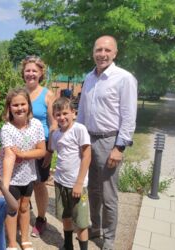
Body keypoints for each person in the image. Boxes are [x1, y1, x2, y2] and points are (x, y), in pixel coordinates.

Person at [77, 35, 137, 250]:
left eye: (107, 50)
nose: (102, 54)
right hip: (88, 139)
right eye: (98, 50)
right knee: (92, 189)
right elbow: (82, 112)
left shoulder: (124, 78)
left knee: (108, 194)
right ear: (93, 52)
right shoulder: (89, 77)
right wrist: (79, 139)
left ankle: (109, 239)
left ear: (115, 53)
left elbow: (129, 116)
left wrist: (119, 147)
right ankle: (95, 227)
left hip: (109, 141)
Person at [0, 87, 46, 250]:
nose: (19, 108)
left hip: (29, 174)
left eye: (23, 104)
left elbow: (41, 150)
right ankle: (12, 241)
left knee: (25, 207)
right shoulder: (7, 129)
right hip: (11, 176)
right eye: (15, 105)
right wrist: (4, 186)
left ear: (29, 105)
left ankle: (24, 238)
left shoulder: (37, 125)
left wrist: (25, 154)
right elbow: (9, 156)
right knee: (12, 209)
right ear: (9, 108)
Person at [21, 56, 56, 237]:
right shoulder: (20, 93)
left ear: (41, 73)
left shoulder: (48, 95)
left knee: (39, 184)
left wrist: (50, 150)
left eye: (34, 70)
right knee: (22, 182)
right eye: (28, 70)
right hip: (22, 147)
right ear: (23, 73)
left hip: (41, 148)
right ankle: (24, 213)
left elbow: (53, 124)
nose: (31, 74)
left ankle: (41, 218)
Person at [50, 97, 91, 250]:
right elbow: (54, 152)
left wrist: (79, 183)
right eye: (58, 114)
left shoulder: (79, 129)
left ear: (74, 113)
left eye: (65, 113)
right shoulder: (56, 134)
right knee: (65, 216)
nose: (62, 117)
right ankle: (68, 245)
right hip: (60, 182)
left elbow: (87, 155)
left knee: (81, 223)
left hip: (77, 185)